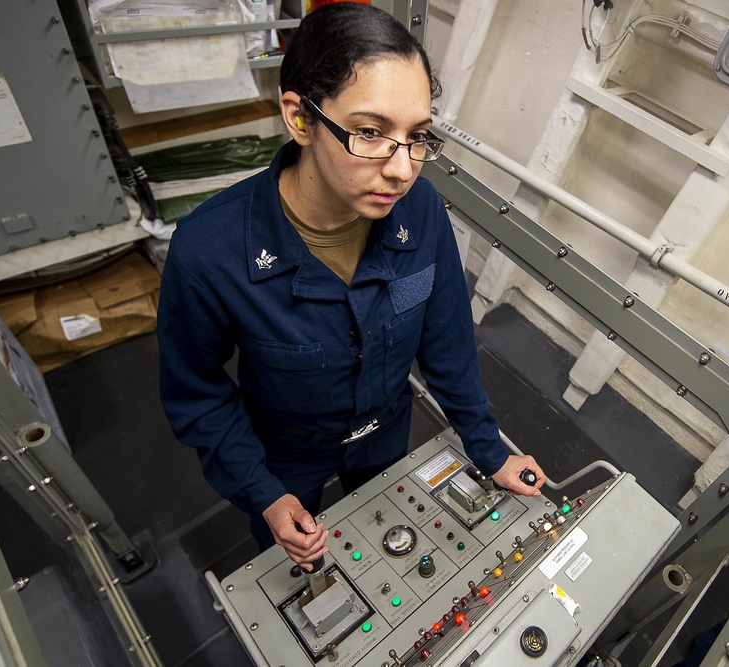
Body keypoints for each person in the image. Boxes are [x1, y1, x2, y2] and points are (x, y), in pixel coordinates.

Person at [157, 2, 545, 571]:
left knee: (393, 544)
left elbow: (448, 342)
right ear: (299, 118)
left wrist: (488, 449)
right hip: (282, 452)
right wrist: (264, 494)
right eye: (370, 132)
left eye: (418, 137)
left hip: (386, 430)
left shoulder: (424, 212)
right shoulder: (208, 251)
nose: (402, 169)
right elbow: (197, 393)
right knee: (295, 566)